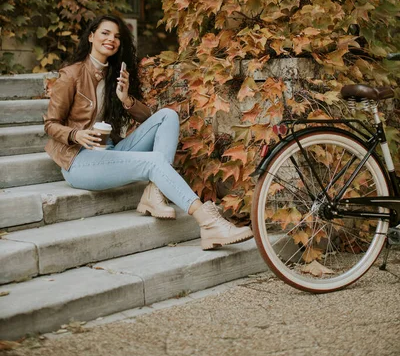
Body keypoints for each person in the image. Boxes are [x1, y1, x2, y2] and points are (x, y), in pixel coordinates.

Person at [44, 14, 253, 250]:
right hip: (78, 160)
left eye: (116, 36)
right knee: (154, 162)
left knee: (168, 116)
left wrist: (125, 99)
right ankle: (207, 222)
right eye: (105, 33)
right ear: (91, 36)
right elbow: (50, 124)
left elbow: (148, 119)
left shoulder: (115, 75)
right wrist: (76, 135)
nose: (111, 39)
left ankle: (154, 191)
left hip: (108, 151)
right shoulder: (70, 75)